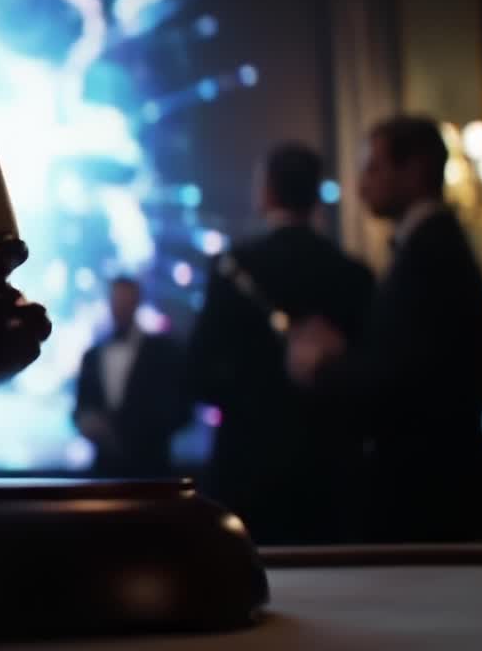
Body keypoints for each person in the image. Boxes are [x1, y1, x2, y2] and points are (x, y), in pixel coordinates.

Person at [287, 116, 482, 543]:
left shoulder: (432, 254)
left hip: (426, 497)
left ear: (415, 169)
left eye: (373, 168)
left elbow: (408, 381)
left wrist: (323, 364)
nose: (361, 183)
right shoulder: (426, 247)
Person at [187, 143, 374, 544]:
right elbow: (372, 381)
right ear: (315, 195)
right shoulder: (354, 275)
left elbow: (200, 374)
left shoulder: (231, 267)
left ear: (267, 190)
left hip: (245, 471)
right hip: (329, 476)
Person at [74, 277, 190, 478]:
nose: (120, 306)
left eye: (126, 300)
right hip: (104, 472)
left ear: (137, 302)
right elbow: (80, 408)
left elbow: (182, 409)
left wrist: (142, 433)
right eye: (116, 300)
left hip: (153, 470)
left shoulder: (164, 352)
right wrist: (88, 423)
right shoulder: (92, 356)